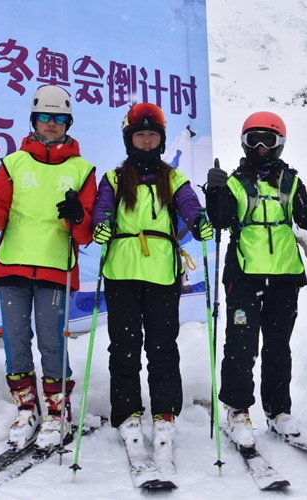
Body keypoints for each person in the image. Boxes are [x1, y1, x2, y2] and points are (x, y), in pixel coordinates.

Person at [0, 85, 97, 450]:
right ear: (34, 120)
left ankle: (57, 410)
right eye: (44, 117)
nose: (51, 124)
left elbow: (86, 232)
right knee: (16, 339)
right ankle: (26, 408)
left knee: (52, 341)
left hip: (55, 267)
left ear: (68, 123)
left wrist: (77, 216)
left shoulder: (83, 169)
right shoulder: (14, 163)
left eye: (58, 118)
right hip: (13, 265)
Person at [204, 111, 307, 447]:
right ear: (244, 143)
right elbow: (220, 220)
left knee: (278, 347)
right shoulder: (235, 182)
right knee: (241, 346)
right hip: (244, 277)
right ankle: (237, 410)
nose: (261, 147)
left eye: (269, 140)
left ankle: (278, 411)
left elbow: (306, 221)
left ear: (280, 144)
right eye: (254, 140)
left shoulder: (291, 181)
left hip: (284, 277)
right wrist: (215, 192)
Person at [90, 102, 213, 454]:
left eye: (152, 135)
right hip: (122, 272)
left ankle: (165, 412)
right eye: (140, 135)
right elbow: (103, 207)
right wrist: (102, 224)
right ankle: (127, 412)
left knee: (162, 347)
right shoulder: (114, 179)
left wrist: (198, 220)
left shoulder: (173, 178)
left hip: (161, 273)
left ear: (160, 140)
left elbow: (189, 203)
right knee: (123, 347)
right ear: (129, 139)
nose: (146, 141)